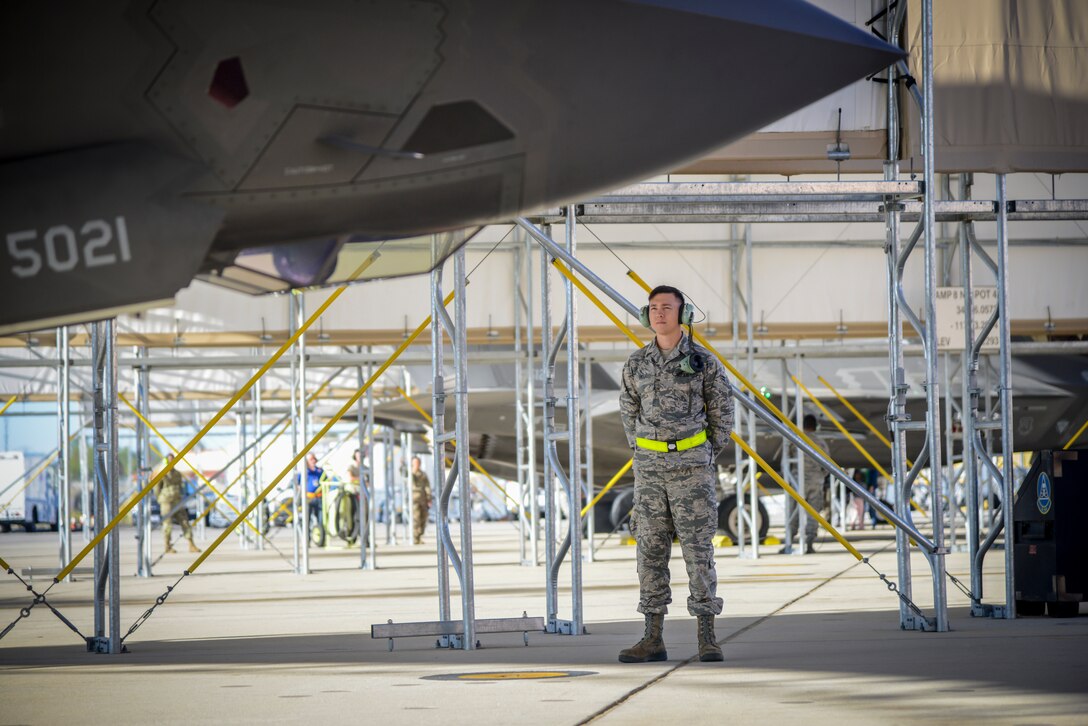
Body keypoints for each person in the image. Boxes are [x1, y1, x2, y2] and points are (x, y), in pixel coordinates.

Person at [618, 285, 734, 664]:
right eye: (653, 308)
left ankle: (707, 637)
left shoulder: (704, 362)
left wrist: (701, 455)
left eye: (667, 307)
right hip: (650, 475)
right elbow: (628, 414)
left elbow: (722, 416)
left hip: (691, 472)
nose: (659, 314)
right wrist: (646, 455)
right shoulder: (636, 365)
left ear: (683, 314)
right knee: (649, 553)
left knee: (699, 553)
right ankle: (652, 638)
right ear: (645, 314)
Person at [782, 414, 828, 554]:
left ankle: (789, 542)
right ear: (815, 426)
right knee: (813, 513)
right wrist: (820, 477)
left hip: (797, 481)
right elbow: (826, 465)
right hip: (815, 481)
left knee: (793, 511)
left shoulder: (795, 440)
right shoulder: (820, 443)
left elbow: (786, 461)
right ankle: (809, 542)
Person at [155, 453, 200, 554]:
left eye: (173, 460)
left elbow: (180, 487)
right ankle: (167, 546)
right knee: (167, 524)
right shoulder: (162, 473)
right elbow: (157, 488)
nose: (172, 462)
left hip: (177, 501)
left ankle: (191, 544)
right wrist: (160, 498)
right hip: (166, 501)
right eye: (170, 460)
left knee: (184, 521)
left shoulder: (177, 473)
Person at [346, 448, 370, 546]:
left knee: (365, 517)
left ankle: (365, 538)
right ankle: (352, 537)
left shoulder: (366, 468)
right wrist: (360, 479)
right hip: (353, 493)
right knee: (354, 516)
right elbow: (351, 478)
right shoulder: (352, 467)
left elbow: (369, 482)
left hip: (363, 494)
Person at [410, 456, 432, 545]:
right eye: (415, 463)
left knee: (424, 518)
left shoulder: (423, 474)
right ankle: (415, 537)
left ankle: (419, 535)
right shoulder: (411, 473)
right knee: (416, 518)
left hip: (423, 499)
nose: (417, 465)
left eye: (418, 463)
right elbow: (405, 475)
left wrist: (429, 498)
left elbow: (427, 486)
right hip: (414, 499)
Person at [302, 452, 324, 536]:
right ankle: (307, 538)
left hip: (319, 497)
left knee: (320, 519)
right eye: (311, 459)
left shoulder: (320, 471)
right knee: (307, 519)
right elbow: (297, 483)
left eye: (314, 458)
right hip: (308, 498)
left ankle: (320, 537)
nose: (313, 461)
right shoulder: (305, 472)